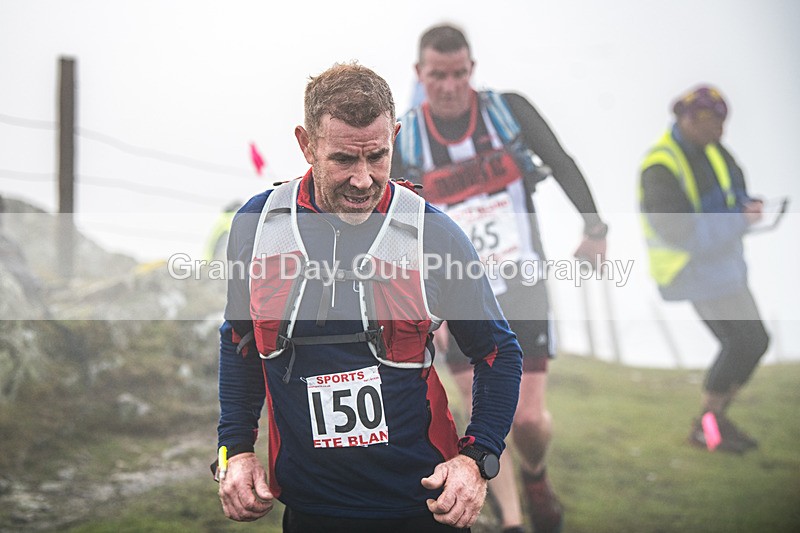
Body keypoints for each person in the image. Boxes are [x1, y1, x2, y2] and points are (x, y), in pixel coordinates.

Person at [214, 62, 523, 532]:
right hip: (310, 510)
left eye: (377, 156)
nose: (363, 179)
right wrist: (235, 449)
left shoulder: (434, 235)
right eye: (343, 159)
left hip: (422, 506)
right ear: (306, 144)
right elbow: (238, 341)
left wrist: (477, 458)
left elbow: (498, 351)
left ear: (394, 137)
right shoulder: (257, 227)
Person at [392, 24, 608, 533]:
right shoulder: (407, 139)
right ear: (420, 73)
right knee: (484, 411)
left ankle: (536, 474)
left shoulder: (508, 112)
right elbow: (398, 227)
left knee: (528, 420)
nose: (449, 86)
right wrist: (421, 305)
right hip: (456, 293)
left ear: (471, 69)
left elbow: (561, 162)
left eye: (458, 73)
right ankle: (512, 521)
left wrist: (595, 228)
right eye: (437, 75)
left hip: (523, 281)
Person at [639, 85, 770, 454]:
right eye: (713, 121)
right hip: (692, 271)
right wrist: (739, 219)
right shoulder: (660, 165)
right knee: (741, 342)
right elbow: (677, 231)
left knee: (753, 342)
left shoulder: (715, 151)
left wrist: (748, 206)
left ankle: (714, 422)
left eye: (723, 122)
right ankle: (708, 427)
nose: (720, 130)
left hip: (723, 267)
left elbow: (733, 193)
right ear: (688, 119)